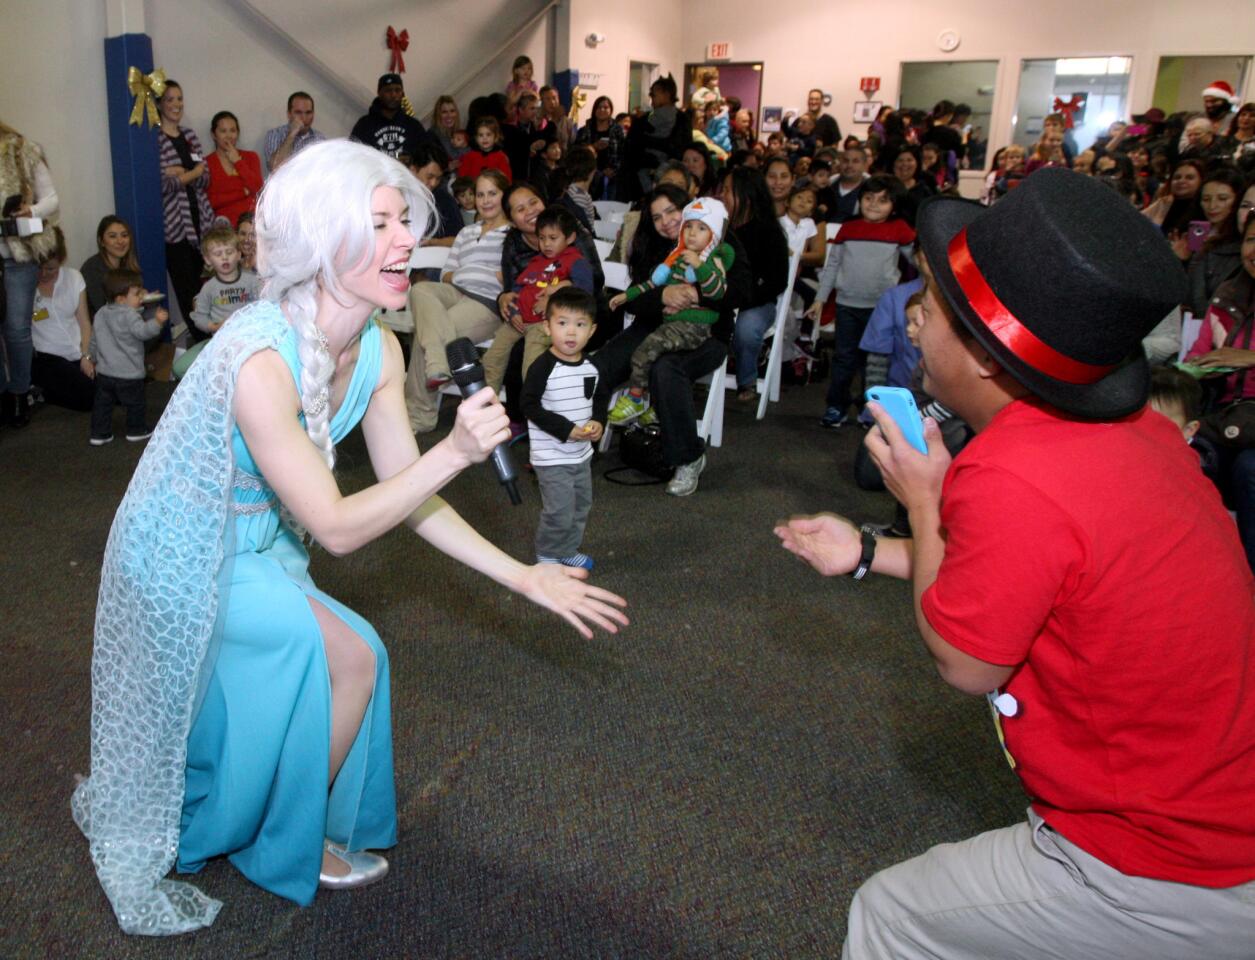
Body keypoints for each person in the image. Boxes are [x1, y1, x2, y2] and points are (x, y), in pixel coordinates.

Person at [72, 140, 628, 937]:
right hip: (179, 551)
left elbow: (410, 497)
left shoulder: (377, 345)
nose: (405, 238)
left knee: (348, 656)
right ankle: (279, 835)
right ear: (323, 244)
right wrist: (455, 452)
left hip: (260, 540)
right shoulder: (256, 351)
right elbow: (337, 525)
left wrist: (523, 576)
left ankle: (281, 830)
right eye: (379, 223)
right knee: (348, 655)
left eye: (404, 220)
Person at [777, 167, 1255, 959]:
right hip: (1222, 795)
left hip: (1166, 854)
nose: (913, 318)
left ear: (989, 359)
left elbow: (965, 660)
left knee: (892, 915)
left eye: (935, 309)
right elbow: (1036, 580)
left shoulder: (1011, 474)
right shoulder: (1127, 434)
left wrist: (923, 502)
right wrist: (867, 550)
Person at [598, 184, 750, 495]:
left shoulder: (714, 234)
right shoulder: (650, 245)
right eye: (656, 217)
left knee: (666, 369)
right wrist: (664, 294)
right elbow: (638, 299)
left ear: (690, 208)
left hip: (706, 331)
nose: (666, 221)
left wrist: (697, 293)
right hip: (653, 324)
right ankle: (582, 441)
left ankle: (688, 457)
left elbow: (743, 290)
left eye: (671, 211)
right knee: (600, 365)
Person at [607, 197, 734, 424]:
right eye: (689, 227)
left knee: (647, 349)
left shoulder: (712, 260)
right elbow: (650, 285)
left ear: (713, 234)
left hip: (695, 326)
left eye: (702, 228)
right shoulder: (676, 259)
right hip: (674, 323)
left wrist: (699, 266)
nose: (693, 233)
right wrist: (627, 295)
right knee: (657, 356)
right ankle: (657, 407)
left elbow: (717, 291)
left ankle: (636, 397)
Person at [404, 168, 512, 432]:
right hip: (455, 291)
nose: (485, 200)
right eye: (480, 194)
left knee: (427, 335)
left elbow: (508, 276)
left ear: (504, 196)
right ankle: (439, 364)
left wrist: (474, 275)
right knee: (420, 289)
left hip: (486, 301)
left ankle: (420, 416)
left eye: (492, 194)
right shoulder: (467, 232)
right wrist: (467, 276)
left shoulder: (512, 234)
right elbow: (447, 273)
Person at [807, 174, 916, 427]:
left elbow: (918, 262)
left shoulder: (900, 228)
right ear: (860, 200)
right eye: (868, 198)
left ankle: (874, 412)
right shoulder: (849, 227)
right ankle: (837, 406)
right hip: (847, 305)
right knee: (844, 358)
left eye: (883, 200)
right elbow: (832, 265)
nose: (874, 204)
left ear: (894, 205)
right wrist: (820, 298)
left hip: (883, 310)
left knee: (877, 362)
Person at [1184, 211, 1255, 571]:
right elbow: (1198, 353)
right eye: (1251, 240)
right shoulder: (1228, 293)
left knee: (1249, 468)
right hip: (1223, 413)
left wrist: (1250, 358)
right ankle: (1197, 570)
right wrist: (1196, 365)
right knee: (1183, 457)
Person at [521, 287, 607, 569]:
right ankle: (547, 553)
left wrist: (598, 422)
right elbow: (529, 405)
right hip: (552, 456)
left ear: (591, 331)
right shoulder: (542, 367)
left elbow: (598, 400)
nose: (571, 333)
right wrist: (565, 429)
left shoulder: (592, 367)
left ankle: (568, 548)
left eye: (580, 325)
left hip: (581, 455)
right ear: (547, 327)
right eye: (562, 323)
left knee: (580, 506)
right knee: (559, 510)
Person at [482, 205, 593, 389]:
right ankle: (487, 405)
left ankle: (534, 409)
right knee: (492, 359)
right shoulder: (536, 262)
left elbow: (584, 293)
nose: (546, 244)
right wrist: (513, 310)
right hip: (517, 321)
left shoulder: (576, 262)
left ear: (571, 238)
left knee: (531, 367)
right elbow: (517, 291)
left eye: (553, 238)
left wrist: (556, 295)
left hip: (542, 325)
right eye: (542, 238)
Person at [0, 120, 60, 427]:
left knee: (16, 329)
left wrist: (31, 211)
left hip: (17, 254)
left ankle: (20, 393)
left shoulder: (21, 149)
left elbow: (52, 199)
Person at [721, 166, 790, 404]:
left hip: (757, 301)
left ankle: (746, 379)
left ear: (746, 195)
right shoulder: (719, 228)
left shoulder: (769, 232)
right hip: (722, 297)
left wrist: (744, 299)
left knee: (746, 329)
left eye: (728, 190)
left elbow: (778, 281)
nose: (723, 195)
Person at [156, 80, 213, 338]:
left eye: (179, 99)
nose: (176, 104)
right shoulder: (155, 138)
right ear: (159, 104)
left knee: (206, 285)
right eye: (170, 99)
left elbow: (205, 176)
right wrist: (190, 173)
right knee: (186, 289)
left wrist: (182, 173)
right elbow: (163, 185)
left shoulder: (189, 136)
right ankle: (200, 338)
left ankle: (211, 333)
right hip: (175, 227)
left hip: (199, 220)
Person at [88, 269, 166, 444]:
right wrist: (157, 322)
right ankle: (136, 430)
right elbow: (142, 332)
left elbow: (94, 340)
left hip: (105, 373)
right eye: (137, 294)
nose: (141, 297)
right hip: (129, 373)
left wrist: (90, 357)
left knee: (102, 405)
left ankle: (99, 434)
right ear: (121, 299)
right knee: (135, 404)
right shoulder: (130, 315)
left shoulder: (101, 313)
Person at [31, 227, 95, 411]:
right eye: (38, 267)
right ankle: (42, 392)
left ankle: (46, 393)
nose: (43, 274)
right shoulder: (26, 287)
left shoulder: (74, 278)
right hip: (46, 357)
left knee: (112, 386)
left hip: (77, 353)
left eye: (50, 268)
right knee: (89, 397)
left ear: (61, 261)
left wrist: (87, 356)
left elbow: (85, 324)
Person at [1188, 167, 1245, 317]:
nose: (1212, 206)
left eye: (1222, 199)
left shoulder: (1240, 244)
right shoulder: (1197, 231)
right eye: (1206, 199)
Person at [189, 225, 261, 337]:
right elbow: (199, 317)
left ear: (238, 255)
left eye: (229, 252)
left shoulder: (252, 281)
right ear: (208, 259)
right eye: (218, 254)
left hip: (249, 336)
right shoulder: (208, 288)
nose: (224, 257)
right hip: (221, 339)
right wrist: (214, 327)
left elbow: (262, 307)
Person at [205, 110, 264, 226]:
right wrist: (243, 192)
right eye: (223, 131)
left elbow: (258, 189)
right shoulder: (206, 163)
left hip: (250, 226)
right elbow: (211, 201)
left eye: (233, 130)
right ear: (213, 135)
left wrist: (238, 161)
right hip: (223, 229)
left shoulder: (251, 157)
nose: (229, 136)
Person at [350, 73, 427, 160]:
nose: (393, 95)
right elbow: (354, 156)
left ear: (402, 94)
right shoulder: (364, 125)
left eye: (397, 90)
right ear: (379, 93)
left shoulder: (413, 125)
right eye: (388, 90)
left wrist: (409, 160)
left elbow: (425, 157)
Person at [81, 215, 141, 316]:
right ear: (101, 242)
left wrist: (140, 295)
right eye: (113, 236)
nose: (120, 241)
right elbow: (103, 310)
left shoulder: (128, 266)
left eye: (124, 235)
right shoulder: (92, 269)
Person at [404, 142, 462, 246]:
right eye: (429, 177)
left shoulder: (445, 200)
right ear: (413, 170)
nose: (434, 183)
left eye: (439, 178)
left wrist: (434, 242)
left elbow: (460, 239)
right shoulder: (397, 197)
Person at [573, 95, 624, 200]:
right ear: (594, 110)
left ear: (611, 110)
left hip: (612, 175)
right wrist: (593, 146)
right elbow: (577, 150)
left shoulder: (617, 129)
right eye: (599, 107)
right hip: (590, 175)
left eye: (606, 107)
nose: (602, 110)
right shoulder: (586, 129)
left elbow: (623, 152)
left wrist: (614, 170)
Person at [263, 91, 326, 172]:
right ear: (289, 114)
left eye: (308, 113)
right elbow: (275, 168)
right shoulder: (275, 135)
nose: (304, 118)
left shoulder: (320, 139)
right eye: (298, 112)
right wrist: (292, 134)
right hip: (284, 184)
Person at [502, 92, 552, 185]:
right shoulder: (509, 129)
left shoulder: (538, 126)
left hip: (534, 176)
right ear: (521, 110)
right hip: (516, 176)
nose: (536, 112)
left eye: (537, 108)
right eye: (532, 108)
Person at [457, 116, 513, 182]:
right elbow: (462, 177)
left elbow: (507, 179)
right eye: (481, 135)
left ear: (496, 137)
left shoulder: (501, 157)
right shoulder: (469, 156)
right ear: (476, 138)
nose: (484, 138)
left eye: (488, 134)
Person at [429, 94, 467, 170]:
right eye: (444, 112)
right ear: (438, 114)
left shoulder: (461, 133)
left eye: (452, 111)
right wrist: (447, 168)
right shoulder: (431, 137)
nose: (449, 115)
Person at [504, 54, 539, 125]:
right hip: (515, 118)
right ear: (516, 71)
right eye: (523, 68)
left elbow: (538, 99)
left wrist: (531, 92)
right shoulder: (512, 85)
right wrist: (521, 92)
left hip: (530, 116)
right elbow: (511, 101)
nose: (526, 71)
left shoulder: (533, 85)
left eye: (529, 68)